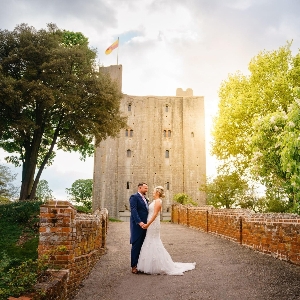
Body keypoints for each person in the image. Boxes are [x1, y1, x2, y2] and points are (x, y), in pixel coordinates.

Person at [137, 186, 196, 275]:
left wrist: (148, 224)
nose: (152, 193)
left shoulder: (158, 201)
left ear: (157, 192)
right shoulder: (154, 201)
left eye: (153, 191)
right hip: (150, 223)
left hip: (153, 224)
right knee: (149, 240)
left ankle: (157, 265)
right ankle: (152, 264)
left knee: (153, 241)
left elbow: (156, 214)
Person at [129, 182, 149, 274]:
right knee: (136, 245)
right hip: (138, 226)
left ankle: (140, 264)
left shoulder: (145, 199)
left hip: (146, 226)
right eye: (145, 188)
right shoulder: (134, 197)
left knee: (143, 245)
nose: (147, 190)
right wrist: (140, 222)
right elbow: (134, 210)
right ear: (140, 188)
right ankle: (134, 266)